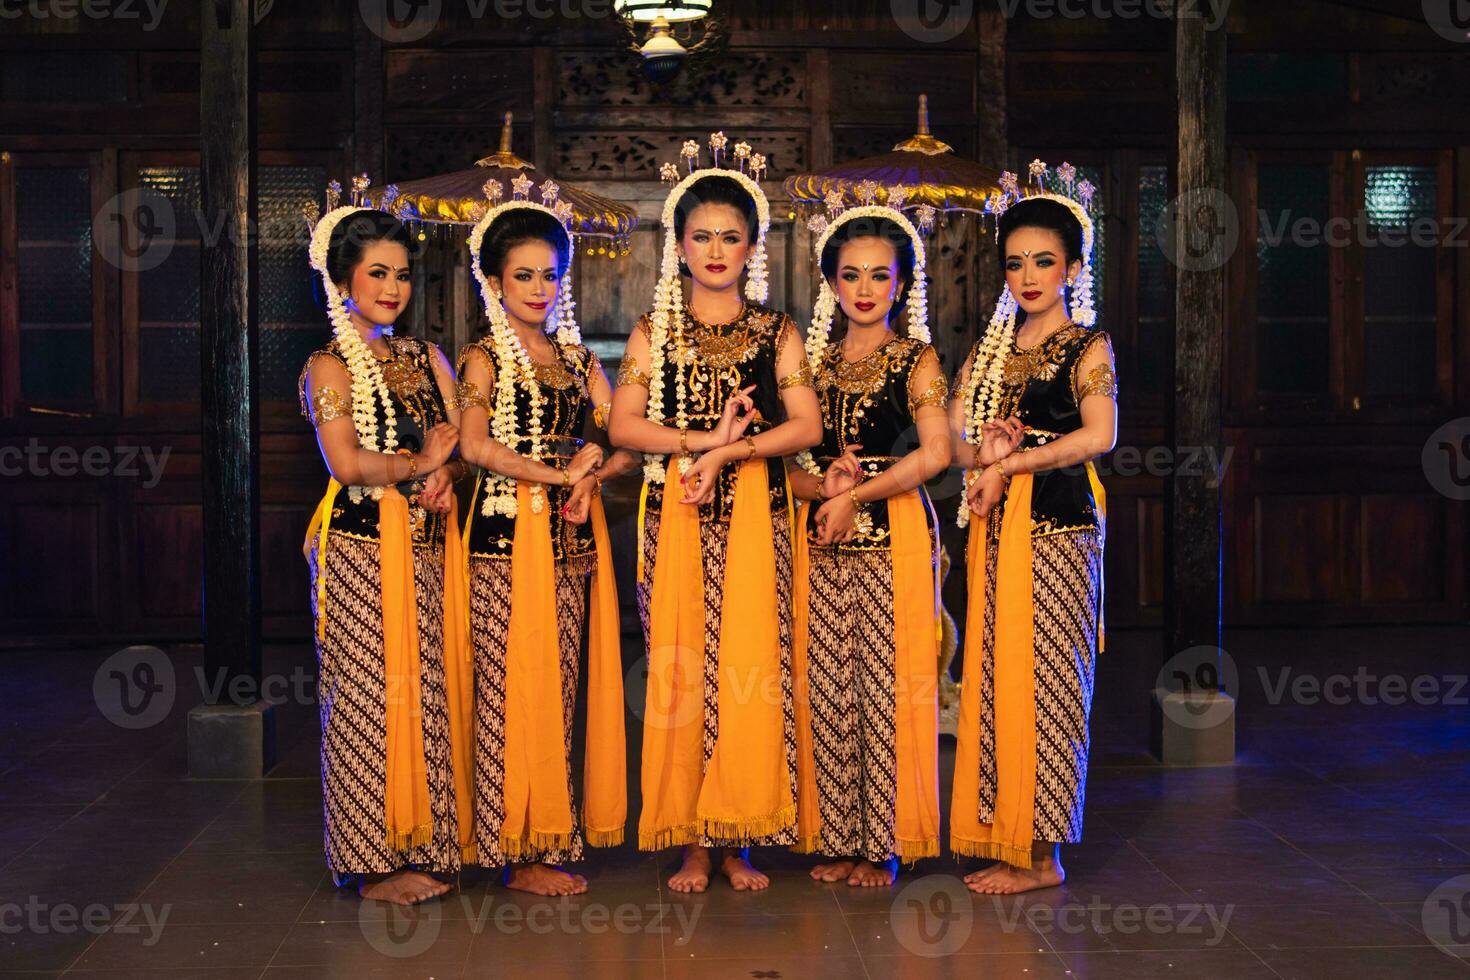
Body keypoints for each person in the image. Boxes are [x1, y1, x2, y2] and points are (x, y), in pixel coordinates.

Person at [608, 136, 822, 893]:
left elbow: (807, 426)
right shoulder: (651, 332)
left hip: (758, 518)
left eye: (731, 236)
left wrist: (733, 454)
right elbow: (623, 427)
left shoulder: (777, 332)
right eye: (701, 236)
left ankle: (742, 836)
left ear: (753, 245)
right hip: (676, 520)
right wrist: (701, 442)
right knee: (681, 670)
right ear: (680, 245)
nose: (716, 249)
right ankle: (692, 838)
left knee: (751, 670)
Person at [456, 185, 639, 897]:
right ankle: (513, 845)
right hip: (501, 541)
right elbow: (474, 446)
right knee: (508, 687)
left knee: (557, 687)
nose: (538, 288)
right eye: (523, 275)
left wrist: (594, 468)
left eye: (549, 275)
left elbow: (622, 436)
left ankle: (544, 835)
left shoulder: (576, 359)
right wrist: (555, 475)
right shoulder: (481, 359)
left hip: (569, 542)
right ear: (495, 282)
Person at [299, 185, 476, 906]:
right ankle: (370, 865)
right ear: (341, 281)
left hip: (430, 545)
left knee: (428, 693)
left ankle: (427, 844)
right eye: (377, 273)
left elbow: (460, 446)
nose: (393, 288)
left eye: (402, 274)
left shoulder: (428, 357)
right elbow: (348, 463)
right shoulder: (329, 366)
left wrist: (447, 475)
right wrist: (421, 466)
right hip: (358, 550)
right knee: (369, 699)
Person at [948, 166, 1118, 895]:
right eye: (1015, 262)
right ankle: (1007, 836)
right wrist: (984, 450)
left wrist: (1018, 461)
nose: (1028, 275)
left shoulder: (1088, 346)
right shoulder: (991, 354)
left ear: (1074, 267)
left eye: (1044, 260)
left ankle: (1045, 855)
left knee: (1050, 686)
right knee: (995, 683)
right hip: (995, 529)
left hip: (1059, 529)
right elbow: (952, 442)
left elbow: (1100, 436)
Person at [785, 198, 951, 887]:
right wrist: (824, 490)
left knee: (886, 687)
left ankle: (882, 842)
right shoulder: (811, 367)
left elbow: (936, 454)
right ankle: (837, 837)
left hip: (895, 540)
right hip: (821, 542)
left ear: (902, 285)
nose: (863, 289)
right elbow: (780, 467)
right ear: (829, 283)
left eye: (879, 276)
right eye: (849, 275)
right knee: (827, 689)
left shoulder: (917, 358)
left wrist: (856, 493)